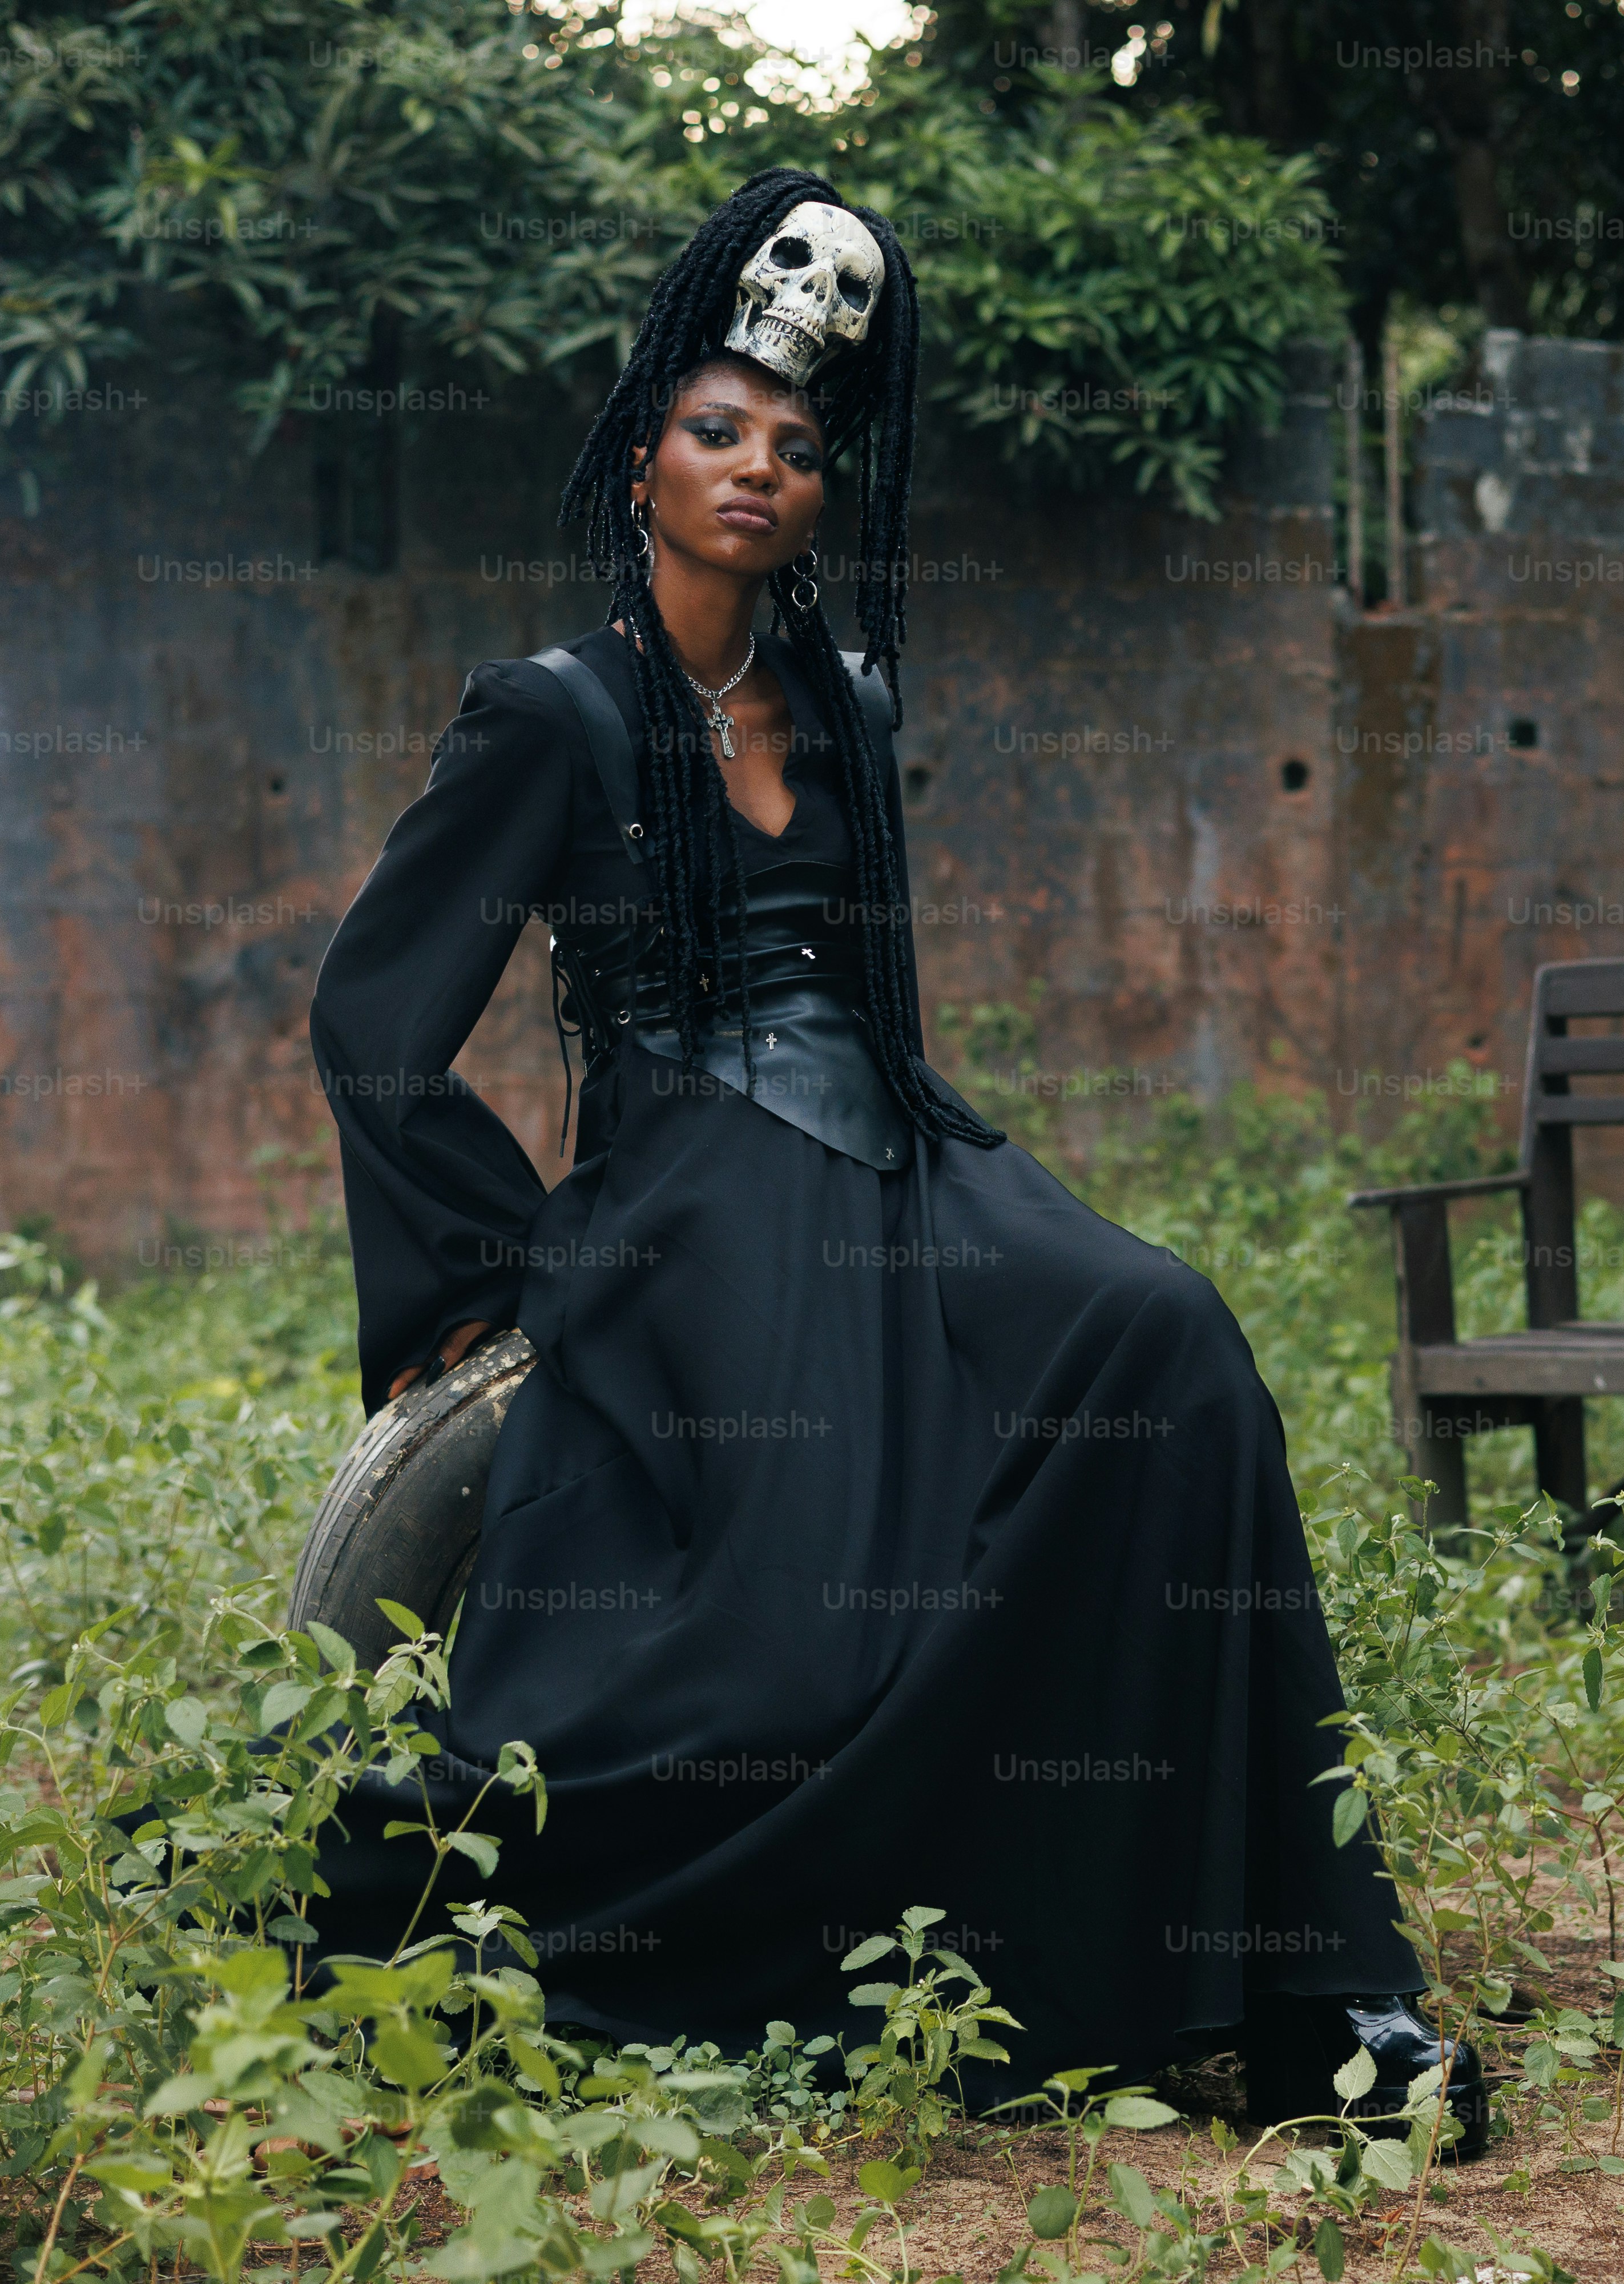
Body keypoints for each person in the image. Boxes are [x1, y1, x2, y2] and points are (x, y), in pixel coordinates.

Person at [300, 167, 1486, 2152]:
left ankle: (1300, 1989)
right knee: (809, 1601)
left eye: (795, 443)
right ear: (644, 458)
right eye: (715, 430)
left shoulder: (846, 702)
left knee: (1166, 1336)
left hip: (898, 1154)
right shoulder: (550, 717)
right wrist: (494, 1278)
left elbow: (869, 1006)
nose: (757, 466)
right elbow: (373, 1022)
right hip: (685, 1186)